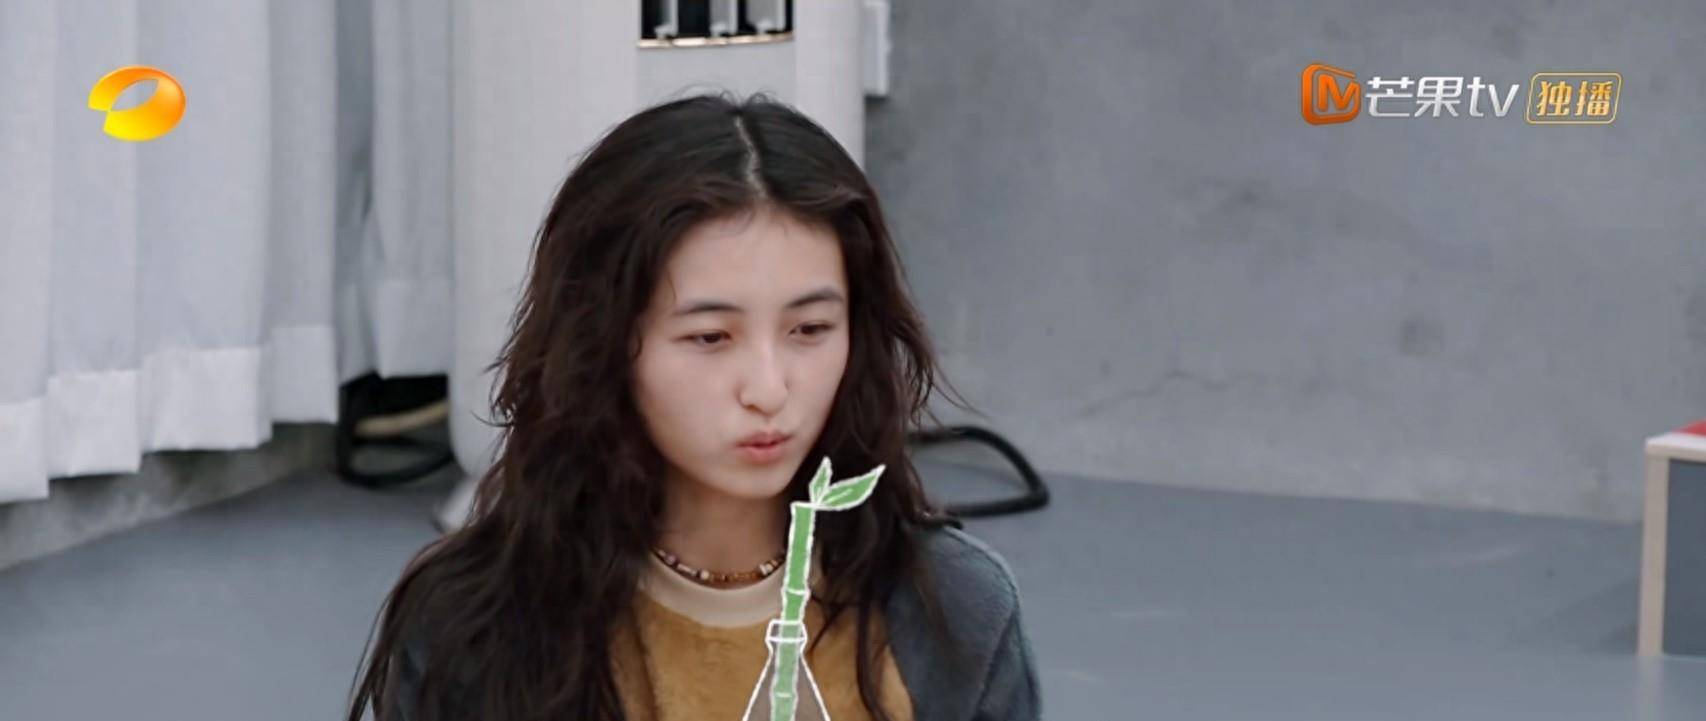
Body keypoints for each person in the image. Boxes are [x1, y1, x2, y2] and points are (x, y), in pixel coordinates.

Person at [344, 92, 1041, 721]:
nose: (768, 389)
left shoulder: (956, 613)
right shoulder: (472, 625)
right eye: (710, 337)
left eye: (810, 329)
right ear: (603, 346)